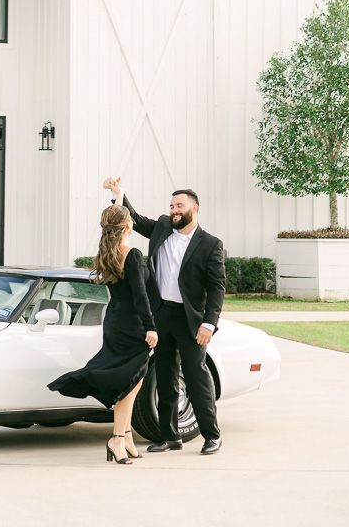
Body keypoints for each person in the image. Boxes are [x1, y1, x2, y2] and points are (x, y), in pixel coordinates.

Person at [104, 177, 226, 456]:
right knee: (165, 376)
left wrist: (209, 323)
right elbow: (132, 217)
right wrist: (119, 194)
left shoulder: (210, 244)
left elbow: (217, 287)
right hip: (161, 316)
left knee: (196, 377)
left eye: (179, 205)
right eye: (171, 205)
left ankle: (212, 435)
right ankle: (170, 436)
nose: (173, 210)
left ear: (194, 209)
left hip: (190, 320)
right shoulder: (161, 227)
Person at [47, 201, 158, 465]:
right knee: (129, 385)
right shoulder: (131, 253)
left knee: (135, 381)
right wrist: (151, 326)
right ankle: (116, 439)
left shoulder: (107, 252)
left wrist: (118, 196)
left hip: (115, 321)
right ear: (128, 225)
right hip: (132, 324)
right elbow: (140, 297)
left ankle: (127, 436)